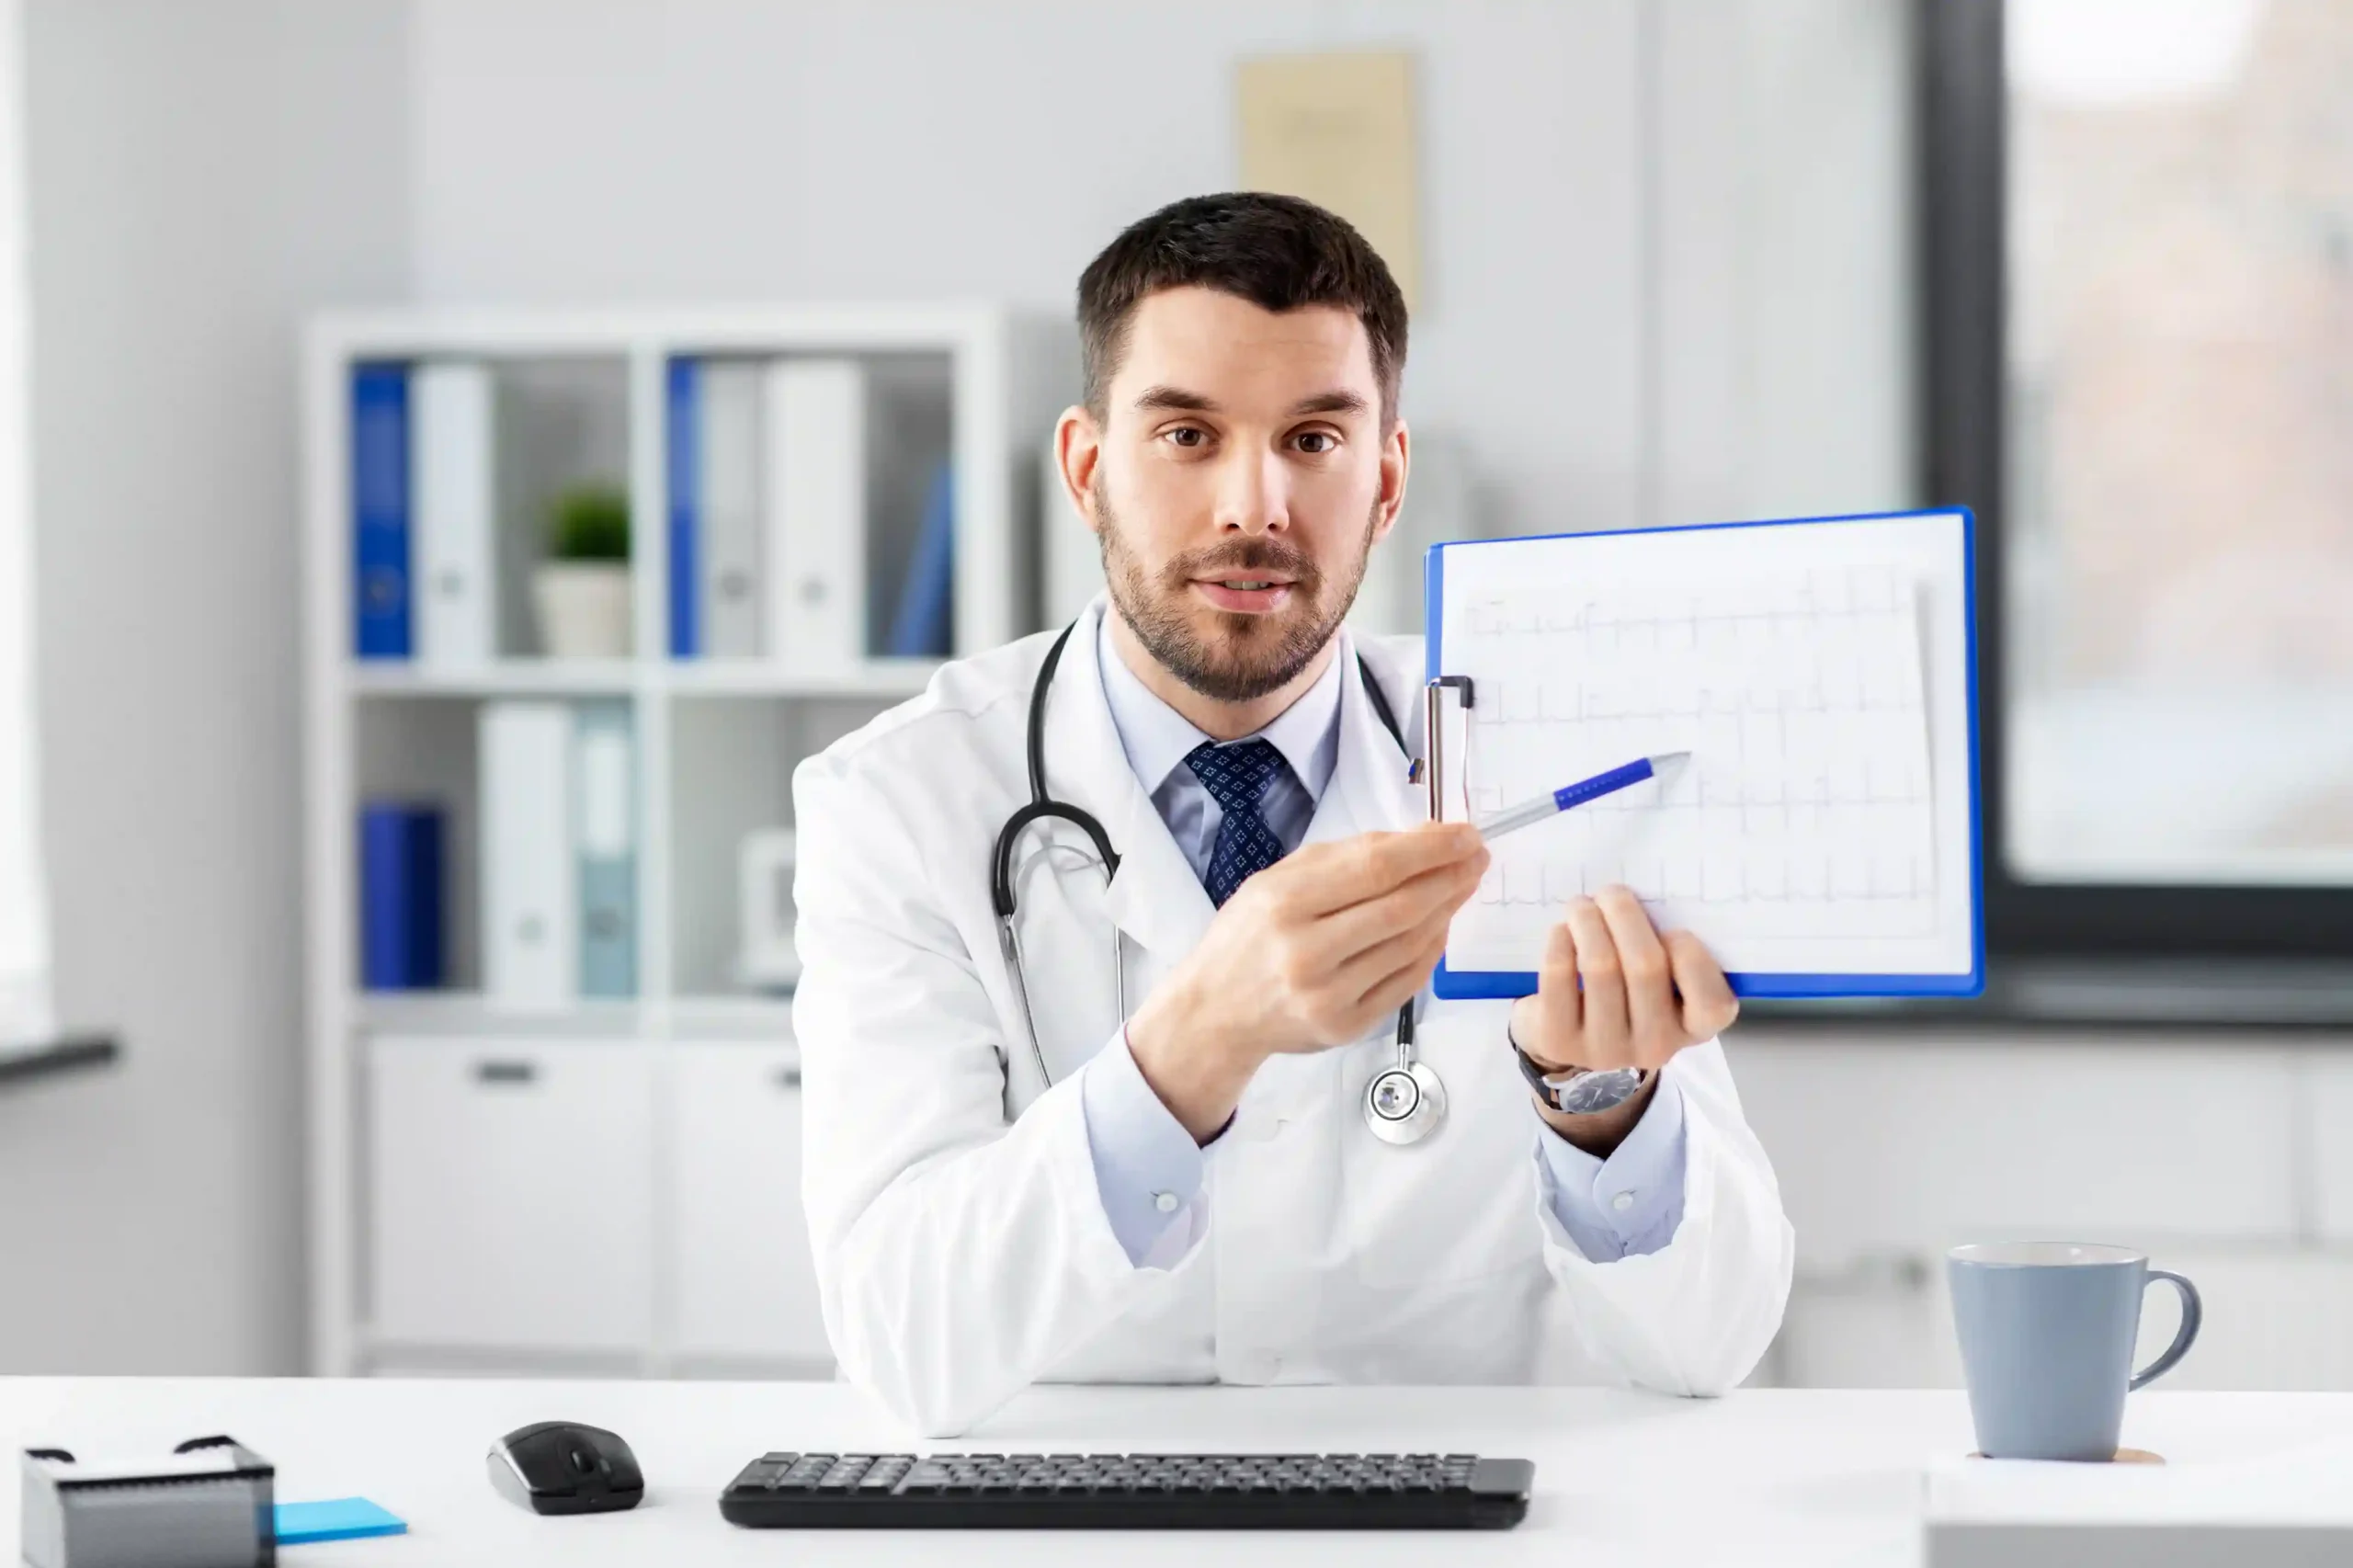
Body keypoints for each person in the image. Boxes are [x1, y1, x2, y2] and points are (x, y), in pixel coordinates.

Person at [792, 192, 1794, 1436]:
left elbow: (1711, 1346)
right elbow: (901, 1339)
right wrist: (1195, 1044)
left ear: (1388, 479)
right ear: (1088, 469)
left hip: (1441, 1498)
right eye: (1187, 435)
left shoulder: (1557, 766)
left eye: (1314, 439)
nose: (1253, 506)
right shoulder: (898, 802)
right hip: (1065, 1505)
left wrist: (1604, 1106)